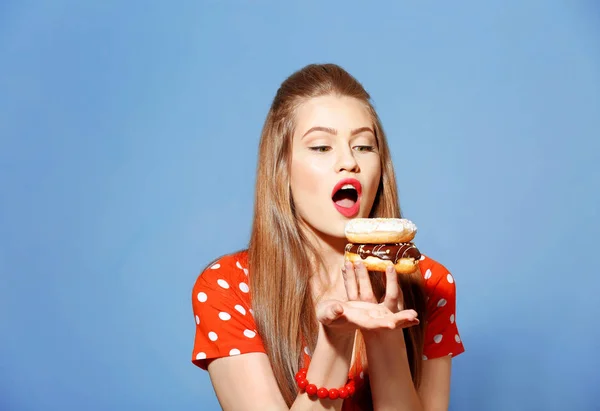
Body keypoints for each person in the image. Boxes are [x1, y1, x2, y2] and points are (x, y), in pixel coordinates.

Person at [190, 63, 465, 411]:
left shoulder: (430, 283)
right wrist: (335, 340)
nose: (349, 162)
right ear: (282, 167)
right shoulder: (227, 287)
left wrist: (385, 340)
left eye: (364, 146)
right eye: (321, 147)